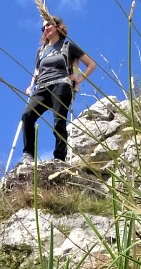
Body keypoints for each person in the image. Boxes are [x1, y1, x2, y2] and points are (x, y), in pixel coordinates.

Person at [19, 17, 96, 166]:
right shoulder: (41, 51)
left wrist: (79, 78)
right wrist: (30, 85)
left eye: (48, 25)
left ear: (57, 26)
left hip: (61, 85)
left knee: (59, 122)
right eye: (43, 27)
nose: (45, 29)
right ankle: (28, 154)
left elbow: (91, 64)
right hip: (42, 87)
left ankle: (59, 157)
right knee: (27, 115)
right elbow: (37, 70)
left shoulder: (68, 46)